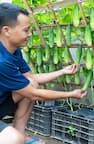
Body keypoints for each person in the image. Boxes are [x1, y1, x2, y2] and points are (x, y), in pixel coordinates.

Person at [0, 2, 87, 144]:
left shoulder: (14, 50)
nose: (30, 34)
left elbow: (33, 78)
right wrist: (71, 94)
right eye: (26, 30)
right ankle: (17, 138)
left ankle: (21, 133)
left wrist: (62, 71)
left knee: (31, 83)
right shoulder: (1, 61)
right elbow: (34, 94)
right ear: (7, 30)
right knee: (13, 139)